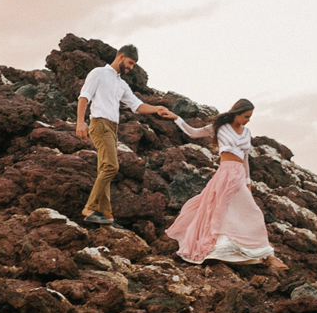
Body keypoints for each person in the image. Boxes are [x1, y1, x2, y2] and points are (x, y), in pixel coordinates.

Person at [164, 98, 287, 270]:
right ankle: (227, 251)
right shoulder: (220, 127)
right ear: (236, 113)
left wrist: (248, 183)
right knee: (223, 211)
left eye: (250, 117)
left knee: (250, 213)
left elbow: (245, 159)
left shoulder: (246, 132)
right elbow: (193, 132)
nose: (248, 120)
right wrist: (176, 117)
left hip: (239, 174)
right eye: (245, 116)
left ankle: (264, 254)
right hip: (225, 172)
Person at [75, 44, 175, 226]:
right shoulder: (98, 73)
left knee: (104, 167)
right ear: (120, 57)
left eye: (133, 65)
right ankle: (90, 207)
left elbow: (137, 105)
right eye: (129, 63)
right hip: (99, 124)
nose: (130, 68)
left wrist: (156, 109)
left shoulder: (121, 84)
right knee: (111, 167)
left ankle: (105, 213)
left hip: (113, 128)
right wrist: (80, 123)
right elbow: (84, 97)